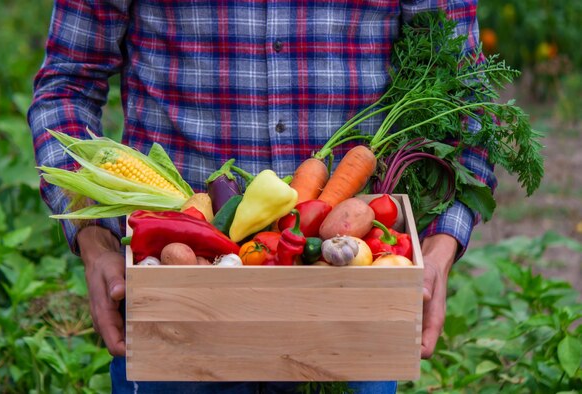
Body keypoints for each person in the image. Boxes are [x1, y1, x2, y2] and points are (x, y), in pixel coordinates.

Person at [28, 1, 496, 393]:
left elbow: (467, 100)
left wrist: (439, 245)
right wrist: (94, 237)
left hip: (352, 296)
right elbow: (66, 88)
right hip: (175, 303)